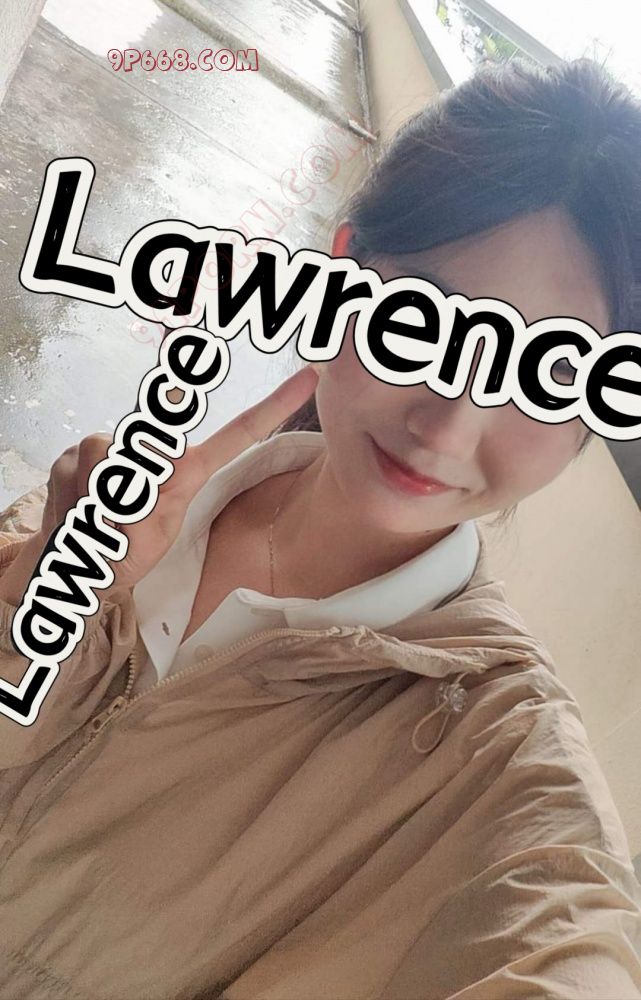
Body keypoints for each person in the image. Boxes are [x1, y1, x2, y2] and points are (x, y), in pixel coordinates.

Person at [1, 56, 641, 1000]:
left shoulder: (494, 766)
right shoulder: (105, 506)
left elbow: (560, 938)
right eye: (424, 322)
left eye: (546, 375)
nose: (448, 423)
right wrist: (45, 591)